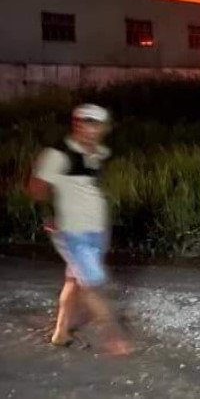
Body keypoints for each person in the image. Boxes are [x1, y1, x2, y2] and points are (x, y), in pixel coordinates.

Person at [28, 103, 131, 356]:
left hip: (96, 230)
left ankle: (60, 333)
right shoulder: (59, 155)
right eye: (86, 123)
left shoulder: (97, 154)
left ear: (103, 128)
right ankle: (113, 338)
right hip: (73, 233)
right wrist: (51, 216)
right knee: (92, 284)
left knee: (74, 281)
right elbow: (36, 188)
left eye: (96, 124)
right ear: (76, 124)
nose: (91, 130)